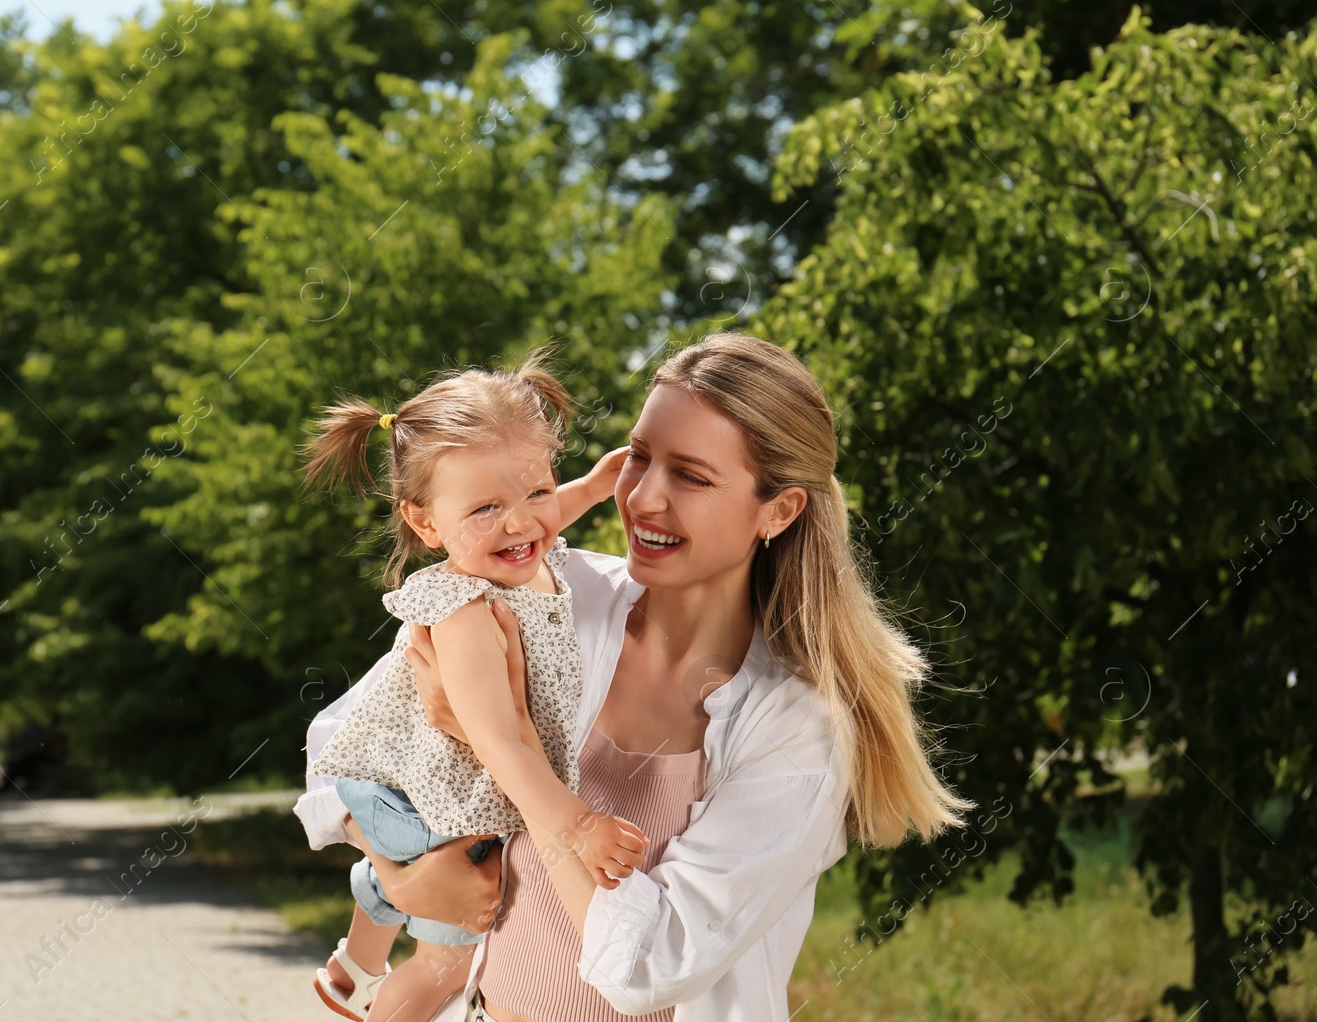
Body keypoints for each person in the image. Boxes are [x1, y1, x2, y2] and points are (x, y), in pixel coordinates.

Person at [297, 332, 972, 1021]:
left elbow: (646, 967)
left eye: (691, 476)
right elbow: (339, 745)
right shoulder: (546, 594)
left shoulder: (797, 727)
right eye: (639, 458)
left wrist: (518, 748)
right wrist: (401, 879)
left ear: (779, 510)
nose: (644, 499)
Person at [299, 349, 647, 1022]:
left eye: (537, 490)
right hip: (419, 799)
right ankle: (373, 973)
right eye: (485, 508)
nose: (521, 524)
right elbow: (495, 738)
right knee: (441, 970)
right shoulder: (466, 612)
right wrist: (579, 826)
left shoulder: (527, 551)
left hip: (436, 799)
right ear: (426, 524)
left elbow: (543, 513)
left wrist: (599, 483)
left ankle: (358, 949)